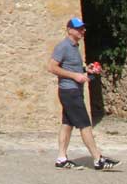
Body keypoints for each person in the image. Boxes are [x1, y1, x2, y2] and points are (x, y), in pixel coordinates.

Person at [48, 18, 119, 170]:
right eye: (79, 28)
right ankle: (98, 159)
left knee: (67, 124)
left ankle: (61, 159)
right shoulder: (63, 47)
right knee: (85, 125)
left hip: (73, 91)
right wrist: (75, 76)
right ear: (70, 30)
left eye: (83, 28)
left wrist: (88, 70)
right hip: (69, 91)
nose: (83, 31)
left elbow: (75, 68)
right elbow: (52, 67)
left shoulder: (75, 47)